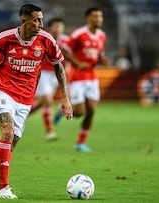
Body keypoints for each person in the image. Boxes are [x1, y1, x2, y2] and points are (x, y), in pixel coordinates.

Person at [0, 4, 73, 199]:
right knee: (7, 132)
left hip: (26, 98)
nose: (41, 24)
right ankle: (3, 188)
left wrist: (65, 98)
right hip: (4, 90)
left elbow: (59, 67)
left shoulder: (46, 40)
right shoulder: (6, 38)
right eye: (37, 20)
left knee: (7, 146)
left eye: (42, 20)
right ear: (24, 20)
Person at [53, 7, 110, 152]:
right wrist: (77, 63)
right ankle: (62, 109)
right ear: (88, 18)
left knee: (91, 111)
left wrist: (102, 60)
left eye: (100, 17)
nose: (99, 20)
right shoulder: (79, 34)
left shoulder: (102, 36)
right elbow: (64, 49)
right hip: (77, 77)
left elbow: (98, 55)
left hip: (92, 77)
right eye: (95, 17)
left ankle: (80, 143)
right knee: (79, 113)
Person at [29, 17, 70, 141]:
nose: (58, 29)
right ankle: (50, 132)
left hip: (56, 74)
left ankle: (20, 115)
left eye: (60, 26)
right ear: (50, 27)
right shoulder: (42, 39)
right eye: (56, 26)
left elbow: (70, 58)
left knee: (42, 102)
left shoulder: (66, 41)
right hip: (43, 73)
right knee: (47, 99)